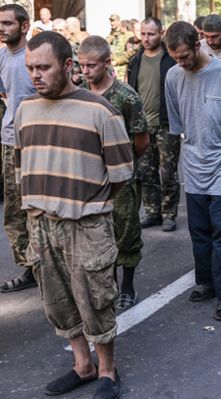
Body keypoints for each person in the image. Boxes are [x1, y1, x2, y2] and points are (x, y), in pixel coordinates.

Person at [17, 30, 133, 399]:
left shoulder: (102, 111)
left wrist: (87, 203)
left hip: (86, 225)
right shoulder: (25, 109)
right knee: (58, 302)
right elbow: (25, 161)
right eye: (31, 68)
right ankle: (83, 366)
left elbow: (120, 174)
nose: (36, 75)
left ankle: (108, 373)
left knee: (95, 301)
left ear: (67, 66)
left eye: (44, 67)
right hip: (40, 224)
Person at [164, 21, 221, 321]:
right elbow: (177, 121)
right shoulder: (173, 76)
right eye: (176, 58)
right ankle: (207, 281)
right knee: (200, 232)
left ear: (197, 45)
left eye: (185, 56)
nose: (182, 63)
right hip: (193, 162)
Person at [78, 35, 149, 311]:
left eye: (91, 66)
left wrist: (123, 166)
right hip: (89, 178)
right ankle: (108, 286)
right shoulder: (79, 93)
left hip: (121, 179)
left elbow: (141, 140)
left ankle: (128, 286)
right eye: (82, 65)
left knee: (126, 232)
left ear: (108, 63)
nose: (85, 71)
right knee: (95, 234)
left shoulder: (126, 97)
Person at [127, 17, 179, 231]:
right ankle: (152, 212)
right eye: (143, 34)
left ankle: (169, 214)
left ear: (161, 33)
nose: (146, 38)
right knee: (147, 173)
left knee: (168, 173)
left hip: (166, 124)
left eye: (151, 34)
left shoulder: (170, 59)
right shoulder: (135, 60)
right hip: (142, 126)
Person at [0, 4, 37, 293]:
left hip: (36, 144)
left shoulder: (34, 57)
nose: (2, 28)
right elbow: (6, 93)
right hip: (9, 141)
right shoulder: (1, 55)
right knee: (14, 213)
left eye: (8, 23)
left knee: (37, 208)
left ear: (24, 26)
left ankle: (44, 268)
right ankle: (30, 269)